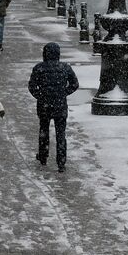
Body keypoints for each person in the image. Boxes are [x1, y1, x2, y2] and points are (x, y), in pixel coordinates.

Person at [27, 42, 79, 171]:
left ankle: (43, 156)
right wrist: (63, 93)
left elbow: (32, 86)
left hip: (44, 105)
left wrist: (41, 96)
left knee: (44, 130)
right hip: (60, 105)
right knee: (61, 133)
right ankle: (61, 162)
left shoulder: (39, 68)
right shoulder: (65, 68)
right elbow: (75, 84)